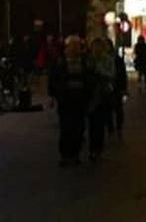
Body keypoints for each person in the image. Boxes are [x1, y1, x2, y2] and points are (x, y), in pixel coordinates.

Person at [49, 36, 93, 166]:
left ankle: (75, 154)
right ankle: (65, 154)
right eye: (71, 46)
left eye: (76, 46)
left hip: (80, 99)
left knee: (78, 127)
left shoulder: (85, 62)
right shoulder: (60, 62)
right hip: (66, 99)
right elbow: (54, 79)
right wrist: (55, 94)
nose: (74, 49)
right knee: (66, 127)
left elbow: (89, 79)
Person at [87, 37, 115, 160]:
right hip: (91, 94)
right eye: (95, 46)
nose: (97, 49)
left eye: (99, 46)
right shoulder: (88, 60)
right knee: (92, 124)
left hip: (103, 94)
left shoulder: (108, 60)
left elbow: (111, 74)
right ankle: (92, 148)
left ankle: (98, 149)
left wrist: (100, 71)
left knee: (99, 123)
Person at [112, 43, 128, 138]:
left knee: (118, 108)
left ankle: (118, 127)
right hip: (113, 88)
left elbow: (122, 75)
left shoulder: (117, 60)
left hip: (117, 88)